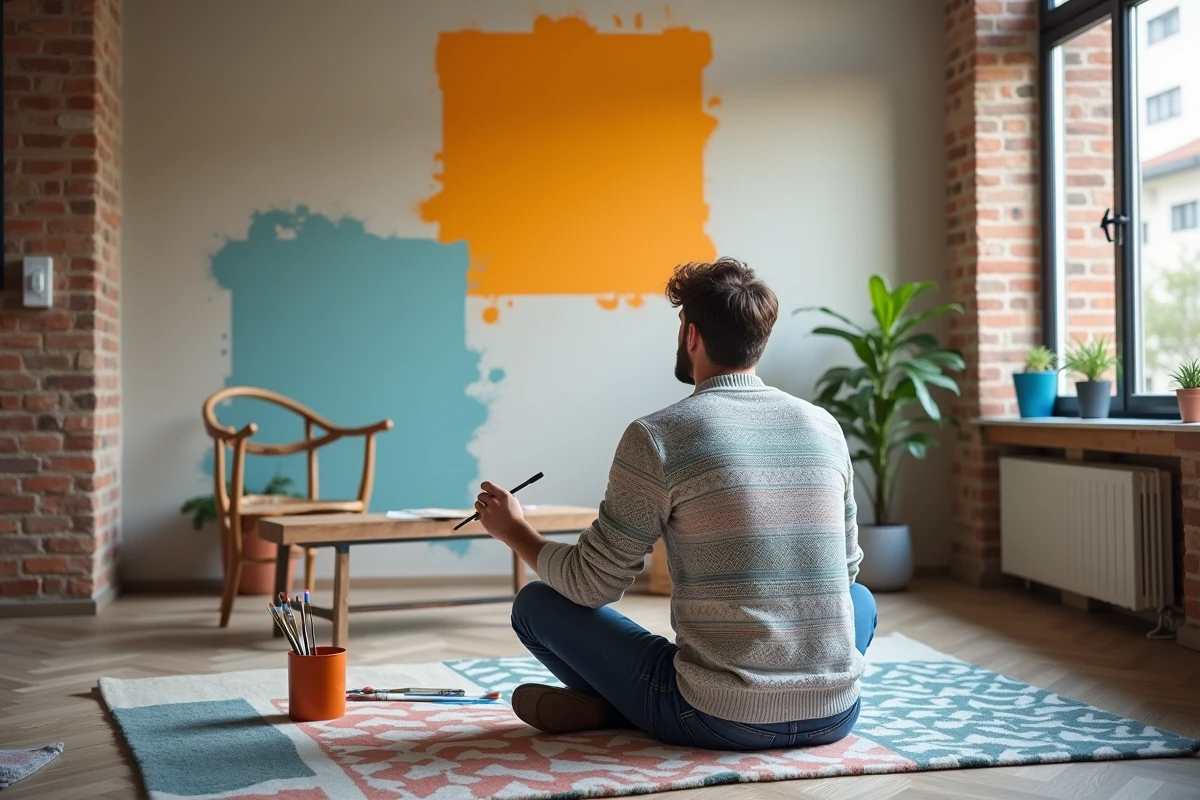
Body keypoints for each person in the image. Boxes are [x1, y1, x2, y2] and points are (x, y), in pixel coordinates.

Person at [472, 257, 876, 751]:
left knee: (536, 604)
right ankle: (618, 705)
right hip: (835, 714)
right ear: (760, 340)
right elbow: (847, 569)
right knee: (861, 600)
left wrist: (514, 531)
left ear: (691, 335)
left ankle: (611, 706)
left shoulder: (659, 436)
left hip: (717, 717)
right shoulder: (824, 426)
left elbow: (590, 584)